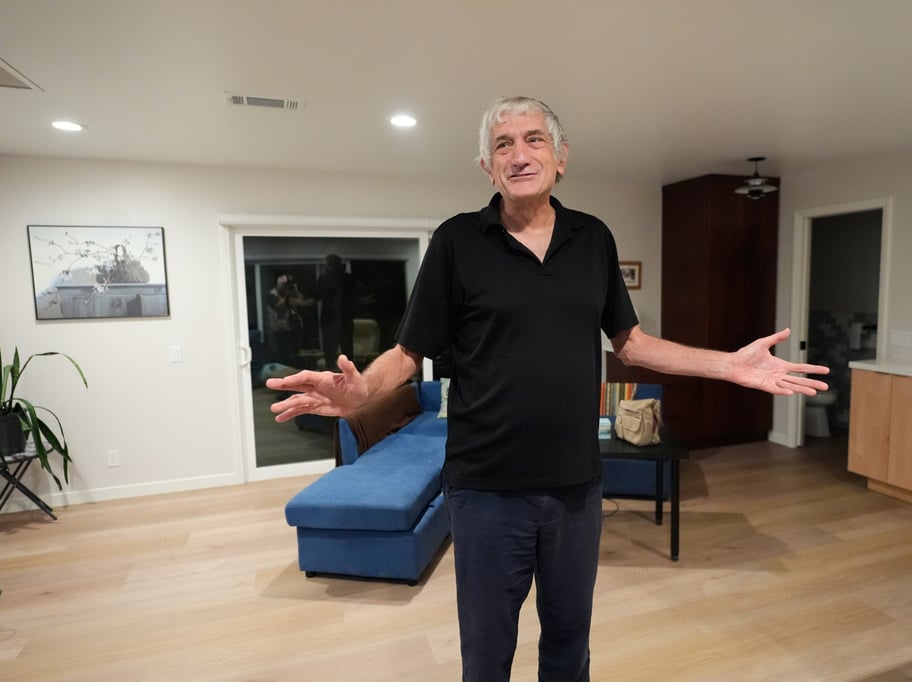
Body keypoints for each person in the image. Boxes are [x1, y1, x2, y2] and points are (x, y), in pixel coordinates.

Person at [267, 96, 829, 681]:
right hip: (485, 491)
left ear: (561, 157)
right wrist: (363, 393)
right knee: (486, 655)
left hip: (575, 489)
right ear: (487, 167)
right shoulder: (457, 242)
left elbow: (630, 343)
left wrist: (726, 365)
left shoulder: (593, 239)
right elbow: (410, 352)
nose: (519, 154)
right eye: (503, 145)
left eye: (533, 139)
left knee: (568, 646)